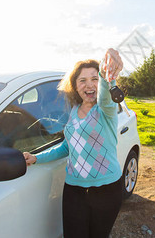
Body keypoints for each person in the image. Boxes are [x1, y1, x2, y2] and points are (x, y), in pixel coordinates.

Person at [24, 48, 124, 238]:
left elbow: (105, 96)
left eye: (94, 79)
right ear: (75, 86)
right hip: (74, 190)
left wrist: (107, 77)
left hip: (107, 190)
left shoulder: (106, 110)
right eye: (82, 80)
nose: (89, 85)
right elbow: (66, 147)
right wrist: (36, 158)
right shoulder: (74, 111)